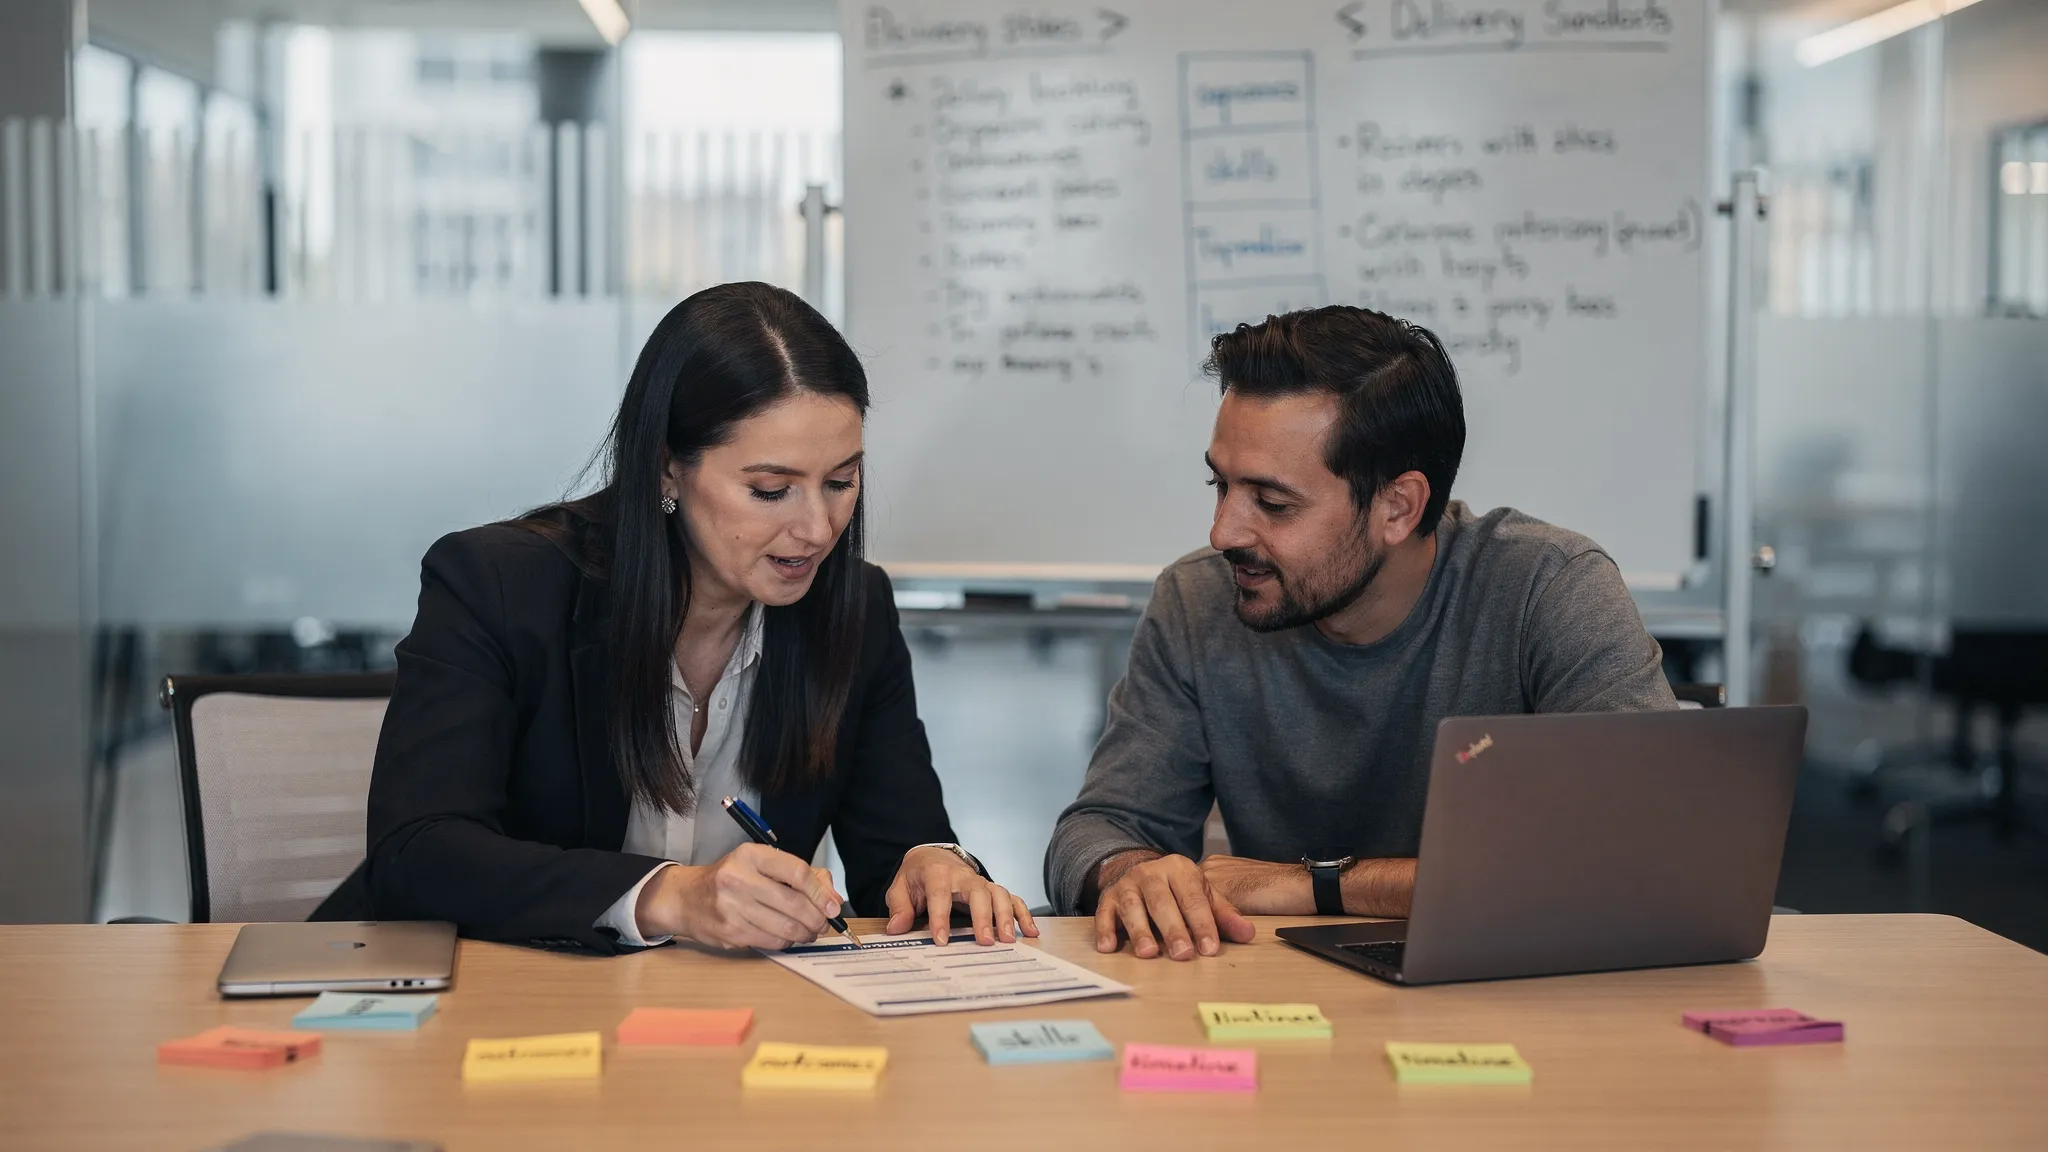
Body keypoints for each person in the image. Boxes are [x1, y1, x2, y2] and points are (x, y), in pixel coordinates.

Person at [316, 282, 1034, 954]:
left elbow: (897, 847)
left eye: (842, 482)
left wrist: (933, 864)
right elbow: (420, 853)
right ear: (666, 469)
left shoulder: (852, 606)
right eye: (771, 489)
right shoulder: (502, 585)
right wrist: (666, 896)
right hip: (497, 1011)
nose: (818, 528)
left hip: (725, 1028)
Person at [1043, 305, 1676, 960]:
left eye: (1272, 501)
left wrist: (1314, 887)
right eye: (1220, 484)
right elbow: (1098, 830)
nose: (1223, 532)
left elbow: (1650, 856)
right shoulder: (1197, 601)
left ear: (1397, 507)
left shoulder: (1547, 589)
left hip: (1515, 997)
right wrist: (1130, 872)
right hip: (1285, 1004)